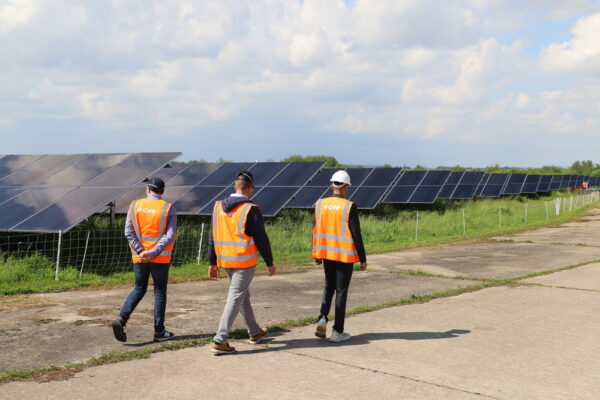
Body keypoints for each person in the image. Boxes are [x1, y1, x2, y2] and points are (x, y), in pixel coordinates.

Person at [208, 170, 276, 354]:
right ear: (250, 188)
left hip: (226, 261)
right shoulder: (250, 209)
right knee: (235, 297)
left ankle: (254, 332)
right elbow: (261, 238)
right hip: (244, 261)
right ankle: (220, 339)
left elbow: (212, 236)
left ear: (234, 186)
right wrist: (270, 262)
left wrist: (212, 262)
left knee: (242, 295)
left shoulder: (217, 207)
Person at [112, 177, 177, 342]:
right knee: (160, 291)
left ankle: (121, 319)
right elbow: (169, 236)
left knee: (139, 288)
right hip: (160, 258)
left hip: (139, 257)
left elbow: (128, 232)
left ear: (148, 190)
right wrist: (153, 252)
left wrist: (142, 251)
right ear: (162, 191)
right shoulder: (168, 208)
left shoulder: (135, 206)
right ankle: (159, 331)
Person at [312, 170, 367, 343]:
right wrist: (363, 258)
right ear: (345, 187)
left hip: (326, 252)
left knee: (328, 286)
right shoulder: (349, 206)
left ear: (332, 185)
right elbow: (356, 233)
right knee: (341, 291)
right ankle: (338, 332)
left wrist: (316, 252)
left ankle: (323, 317)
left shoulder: (320, 204)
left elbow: (315, 229)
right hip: (344, 255)